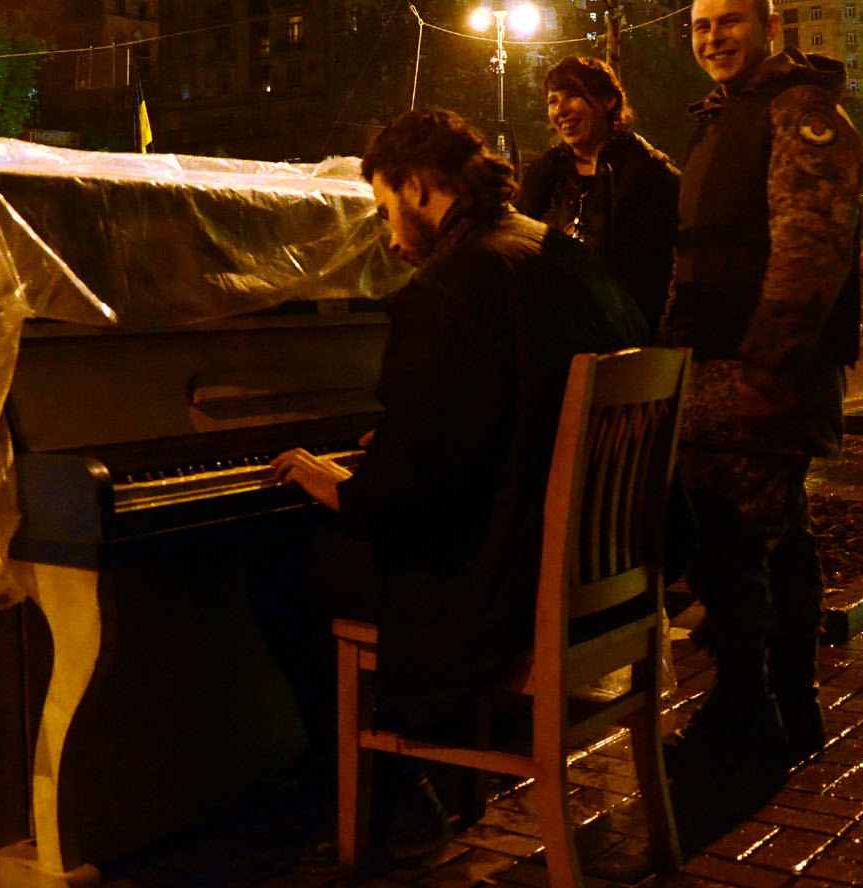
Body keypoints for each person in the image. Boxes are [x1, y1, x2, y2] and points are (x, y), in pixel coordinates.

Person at [269, 108, 643, 840]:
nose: (387, 234)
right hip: (600, 579)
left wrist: (336, 480)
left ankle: (385, 792)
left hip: (503, 591)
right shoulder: (564, 257)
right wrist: (410, 433)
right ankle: (416, 766)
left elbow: (406, 497)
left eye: (384, 209)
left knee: (281, 574)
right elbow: (512, 410)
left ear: (416, 186)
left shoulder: (447, 289)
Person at [663, 0, 863, 795]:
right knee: (773, 545)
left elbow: (809, 254)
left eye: (730, 22)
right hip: (716, 376)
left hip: (752, 382)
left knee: (735, 551)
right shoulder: (729, 119)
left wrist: (766, 370)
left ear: (770, 26)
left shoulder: (798, 115)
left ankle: (747, 719)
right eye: (701, 26)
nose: (714, 38)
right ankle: (788, 707)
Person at [517, 55, 682, 332]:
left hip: (631, 338)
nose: (561, 110)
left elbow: (673, 265)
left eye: (573, 96)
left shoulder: (649, 173)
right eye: (553, 101)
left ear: (609, 100)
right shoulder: (544, 174)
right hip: (557, 337)